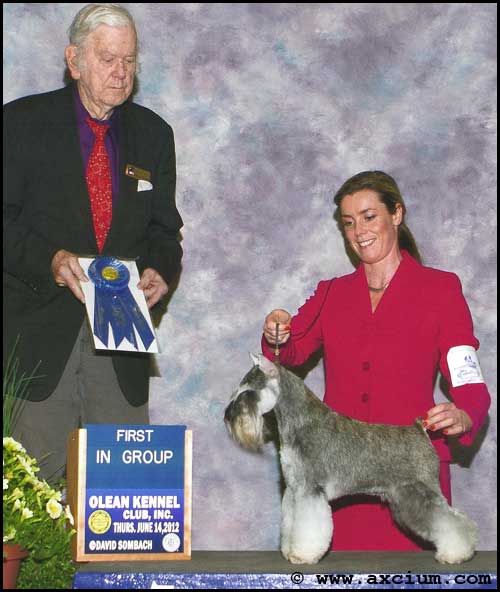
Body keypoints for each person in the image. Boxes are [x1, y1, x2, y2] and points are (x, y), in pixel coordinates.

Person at [262, 170, 491, 551]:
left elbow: (465, 370)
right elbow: (291, 350)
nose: (359, 232)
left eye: (369, 217)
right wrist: (277, 332)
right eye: (349, 223)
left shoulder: (440, 289)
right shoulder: (331, 293)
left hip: (409, 473)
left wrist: (466, 413)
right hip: (342, 482)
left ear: (396, 214)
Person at [3, 4, 183, 481]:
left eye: (129, 60)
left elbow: (165, 231)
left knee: (123, 492)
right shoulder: (18, 124)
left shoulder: (154, 135)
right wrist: (50, 259)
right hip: (38, 340)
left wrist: (160, 269)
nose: (121, 72)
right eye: (107, 59)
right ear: (74, 61)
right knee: (34, 494)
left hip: (122, 342)